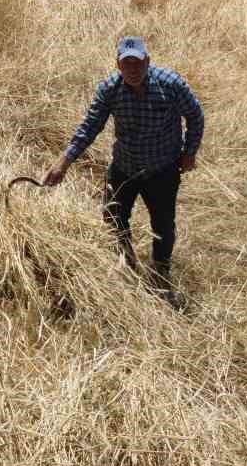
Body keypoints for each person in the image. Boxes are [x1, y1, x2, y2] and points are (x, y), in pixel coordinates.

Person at [44, 35, 204, 306]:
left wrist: (190, 152)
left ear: (147, 61)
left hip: (162, 169)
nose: (132, 69)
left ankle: (161, 275)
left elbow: (196, 115)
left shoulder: (170, 83)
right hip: (125, 166)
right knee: (112, 215)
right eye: (126, 63)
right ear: (118, 64)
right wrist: (64, 161)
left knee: (163, 225)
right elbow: (90, 126)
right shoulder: (109, 89)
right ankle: (126, 261)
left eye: (137, 63)